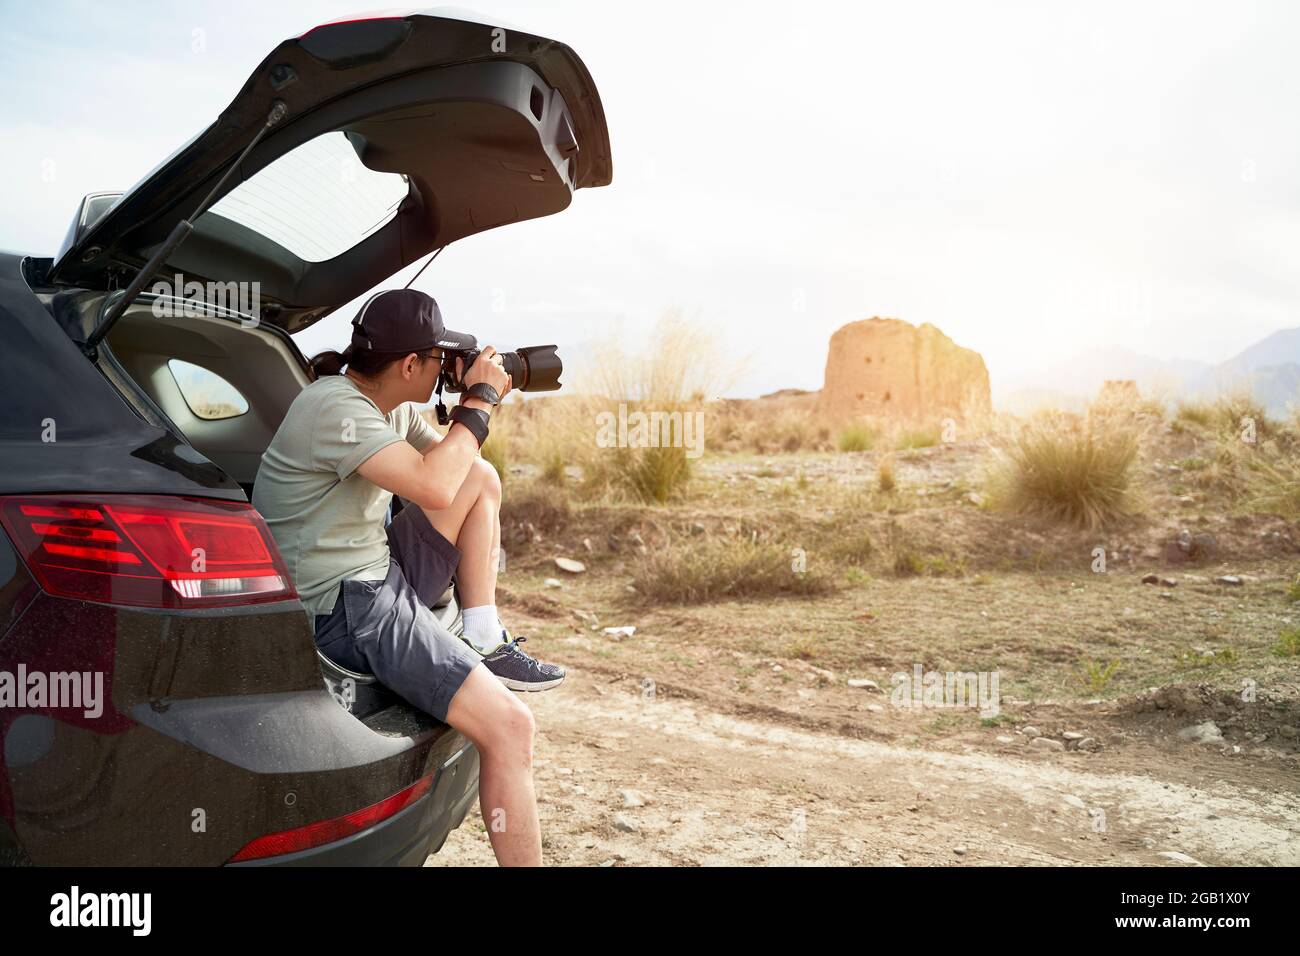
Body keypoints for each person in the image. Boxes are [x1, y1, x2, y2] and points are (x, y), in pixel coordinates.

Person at [252, 288, 562, 866]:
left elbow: (458, 466)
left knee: (484, 479)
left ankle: (482, 633)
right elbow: (434, 487)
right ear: (410, 365)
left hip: (374, 569)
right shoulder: (334, 410)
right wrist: (480, 399)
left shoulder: (380, 403)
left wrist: (477, 396)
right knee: (511, 727)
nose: (446, 369)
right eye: (440, 359)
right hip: (345, 604)